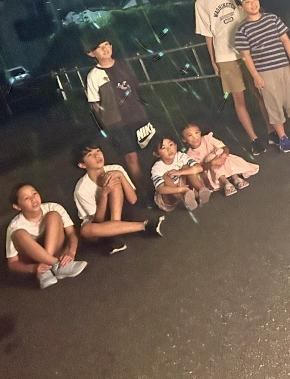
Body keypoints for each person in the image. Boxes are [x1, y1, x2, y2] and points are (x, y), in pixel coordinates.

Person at [192, 0, 275, 154]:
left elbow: (252, 15)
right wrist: (213, 60)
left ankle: (272, 130)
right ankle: (254, 139)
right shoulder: (201, 4)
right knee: (239, 99)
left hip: (249, 51)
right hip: (225, 56)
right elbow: (208, 35)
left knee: (261, 92)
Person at [234, 0, 290, 153]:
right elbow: (246, 56)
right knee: (273, 103)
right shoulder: (242, 29)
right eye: (247, 2)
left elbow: (285, 40)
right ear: (241, 7)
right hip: (264, 72)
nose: (253, 4)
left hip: (283, 66)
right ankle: (283, 137)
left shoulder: (272, 19)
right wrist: (255, 76)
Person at [83, 35, 155, 192]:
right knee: (131, 157)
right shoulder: (93, 75)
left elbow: (136, 88)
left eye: (107, 44)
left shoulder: (124, 65)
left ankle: (160, 185)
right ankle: (145, 191)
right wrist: (106, 121)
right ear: (91, 53)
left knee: (150, 150)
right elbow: (95, 103)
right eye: (99, 47)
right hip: (116, 124)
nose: (105, 49)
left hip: (138, 116)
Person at [74, 143, 164, 254]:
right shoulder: (81, 189)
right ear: (82, 165)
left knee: (114, 179)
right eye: (90, 155)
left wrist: (120, 175)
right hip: (101, 225)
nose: (97, 156)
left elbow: (133, 199)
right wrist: (104, 194)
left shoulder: (115, 169)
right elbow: (99, 220)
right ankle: (143, 226)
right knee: (85, 230)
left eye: (98, 151)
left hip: (120, 213)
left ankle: (115, 234)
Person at [5, 183, 87, 289]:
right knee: (19, 234)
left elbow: (71, 233)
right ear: (17, 206)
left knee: (53, 215)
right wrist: (34, 268)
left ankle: (53, 267)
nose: (33, 199)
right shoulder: (15, 226)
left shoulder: (53, 207)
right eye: (26, 198)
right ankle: (54, 266)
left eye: (34, 193)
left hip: (58, 252)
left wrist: (71, 252)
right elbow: (12, 263)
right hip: (34, 260)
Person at [181, 122, 260, 196]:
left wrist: (223, 157)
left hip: (223, 161)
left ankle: (235, 177)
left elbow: (224, 148)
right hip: (210, 171)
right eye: (190, 135)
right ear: (184, 139)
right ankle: (225, 182)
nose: (195, 137)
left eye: (196, 132)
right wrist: (212, 162)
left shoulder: (207, 139)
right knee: (210, 157)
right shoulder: (190, 154)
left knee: (219, 151)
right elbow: (200, 168)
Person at [151, 136, 213, 211]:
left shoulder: (181, 157)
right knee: (166, 176)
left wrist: (179, 172)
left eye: (171, 145)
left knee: (187, 167)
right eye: (163, 148)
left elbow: (199, 168)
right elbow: (161, 189)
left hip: (184, 186)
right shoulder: (157, 167)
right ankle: (184, 200)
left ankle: (201, 190)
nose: (169, 149)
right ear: (157, 154)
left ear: (176, 145)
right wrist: (180, 190)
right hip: (169, 193)